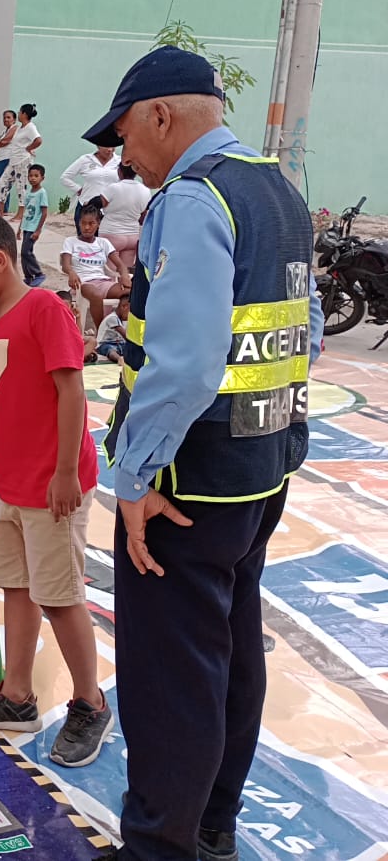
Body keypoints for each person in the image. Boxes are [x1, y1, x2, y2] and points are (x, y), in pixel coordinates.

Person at [83, 44, 323, 861]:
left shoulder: (192, 199)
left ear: (162, 115)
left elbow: (183, 365)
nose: (125, 160)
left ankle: (159, 845)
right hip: (262, 468)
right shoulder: (277, 191)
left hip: (187, 481)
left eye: (125, 137)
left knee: (169, 673)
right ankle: (213, 822)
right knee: (229, 648)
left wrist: (136, 475)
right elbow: (307, 329)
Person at [0, 209, 112, 769]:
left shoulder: (43, 308)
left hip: (51, 489)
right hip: (10, 485)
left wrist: (65, 472)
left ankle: (90, 703)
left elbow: (71, 392)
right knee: (15, 586)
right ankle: (16, 695)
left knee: (60, 597)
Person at [60, 203, 131, 328]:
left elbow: (120, 264)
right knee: (96, 294)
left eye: (91, 223)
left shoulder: (103, 242)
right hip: (83, 283)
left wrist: (124, 275)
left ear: (98, 224)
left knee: (130, 293)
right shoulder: (71, 242)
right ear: (79, 223)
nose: (87, 227)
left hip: (103, 282)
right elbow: (65, 265)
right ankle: (101, 331)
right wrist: (71, 272)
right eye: (83, 223)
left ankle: (116, 328)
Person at [0, 103, 42, 214]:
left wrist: (29, 148)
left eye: (19, 112)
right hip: (13, 161)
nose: (18, 114)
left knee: (21, 187)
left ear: (24, 114)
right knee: (1, 185)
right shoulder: (19, 128)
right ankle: (0, 212)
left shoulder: (30, 127)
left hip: (23, 161)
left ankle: (20, 214)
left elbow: (38, 140)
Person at [98, 163, 150, 271]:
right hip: (132, 236)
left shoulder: (113, 188)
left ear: (119, 171)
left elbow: (98, 204)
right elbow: (143, 217)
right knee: (126, 273)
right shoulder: (145, 190)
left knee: (110, 273)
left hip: (111, 234)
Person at [60, 145, 121, 235]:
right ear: (98, 146)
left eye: (112, 146)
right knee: (85, 242)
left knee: (108, 243)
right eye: (106, 146)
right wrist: (78, 189)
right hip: (87, 207)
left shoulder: (120, 161)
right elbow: (65, 178)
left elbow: (126, 181)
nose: (109, 150)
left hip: (110, 209)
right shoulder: (85, 159)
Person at [12, 164, 50, 287]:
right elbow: (25, 211)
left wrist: (38, 230)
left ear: (42, 178)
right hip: (26, 226)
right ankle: (28, 277)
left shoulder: (42, 193)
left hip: (34, 227)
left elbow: (44, 213)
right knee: (23, 253)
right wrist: (19, 229)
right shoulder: (29, 192)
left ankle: (38, 274)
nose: (33, 178)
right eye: (30, 176)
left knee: (26, 252)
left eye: (36, 176)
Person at [96, 294, 128, 364]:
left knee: (128, 347)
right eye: (130, 312)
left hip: (119, 344)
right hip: (104, 344)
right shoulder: (112, 318)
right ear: (124, 307)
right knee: (110, 349)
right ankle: (119, 359)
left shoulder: (123, 320)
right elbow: (125, 335)